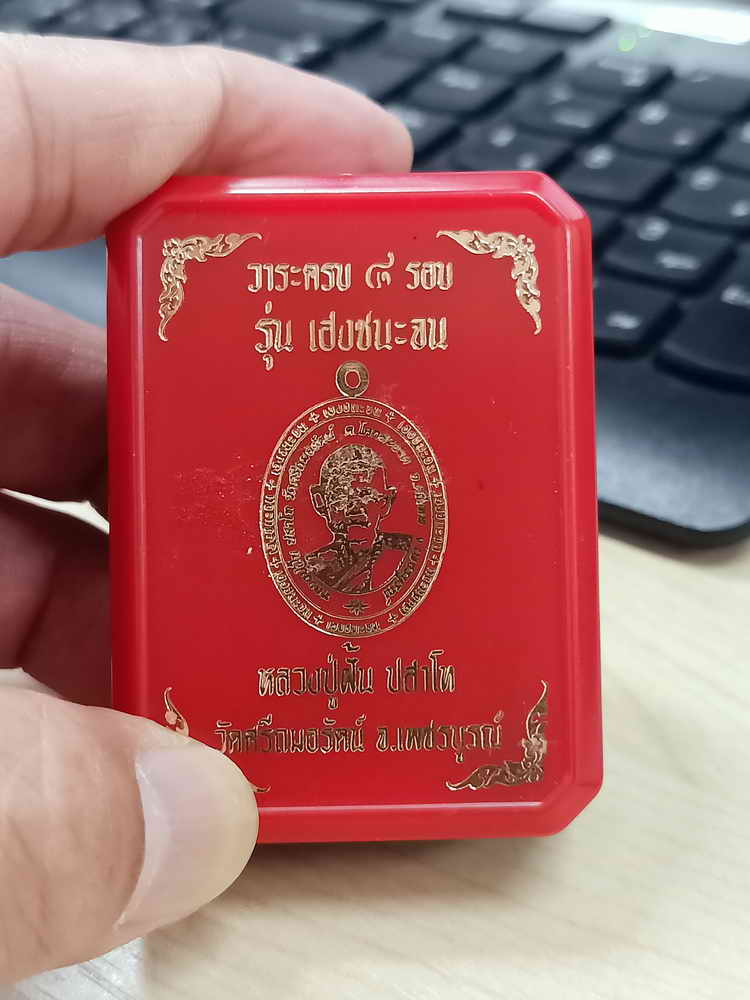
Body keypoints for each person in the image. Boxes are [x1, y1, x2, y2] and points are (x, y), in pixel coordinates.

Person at [0, 33, 411, 984]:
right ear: (336, 502)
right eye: (358, 491)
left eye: (375, 490)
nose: (377, 500)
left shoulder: (384, 548)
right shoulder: (330, 559)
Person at [305, 444, 414, 594]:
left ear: (385, 502)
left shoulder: (407, 553)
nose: (354, 511)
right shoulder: (313, 567)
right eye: (340, 497)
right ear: (321, 504)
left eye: (365, 495)